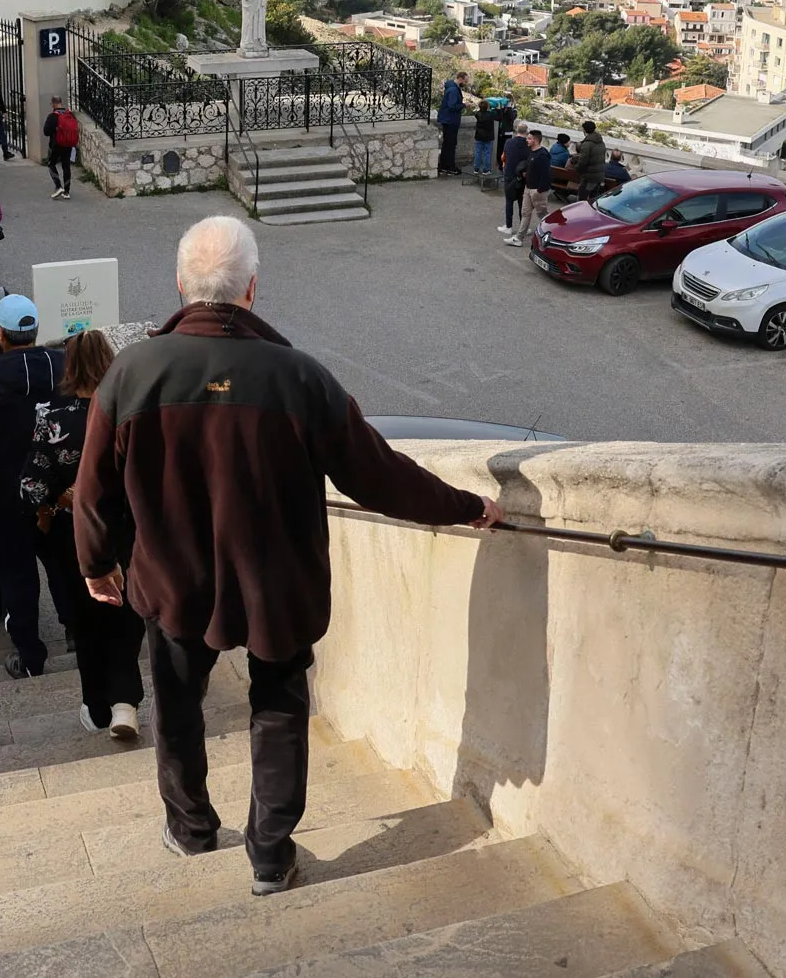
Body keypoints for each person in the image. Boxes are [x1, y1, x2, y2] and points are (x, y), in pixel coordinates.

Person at [73, 217, 500, 895]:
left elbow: (92, 486)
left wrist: (96, 561)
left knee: (178, 704)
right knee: (279, 707)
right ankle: (270, 854)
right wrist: (467, 505)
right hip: (277, 584)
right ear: (251, 290)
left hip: (174, 580)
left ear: (182, 285)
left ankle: (189, 827)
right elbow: (379, 474)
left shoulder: (133, 371)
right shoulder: (301, 376)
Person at [29, 330, 145, 740]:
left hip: (72, 530)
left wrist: (60, 497)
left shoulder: (50, 414)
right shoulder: (129, 407)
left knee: (86, 617)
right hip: (127, 527)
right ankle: (125, 703)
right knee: (126, 614)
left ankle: (96, 707)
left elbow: (31, 483)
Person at [0, 295, 74, 680]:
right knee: (64, 566)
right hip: (59, 493)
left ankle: (29, 654)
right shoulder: (66, 368)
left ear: (0, 335)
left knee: (14, 574)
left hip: (5, 498)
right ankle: (77, 633)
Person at [512, 129, 553, 243]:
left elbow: (546, 174)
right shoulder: (532, 152)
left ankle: (551, 236)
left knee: (542, 215)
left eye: (529, 138)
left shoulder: (542, 155)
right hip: (528, 187)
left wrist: (540, 190)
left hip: (537, 190)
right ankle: (518, 238)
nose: (527, 140)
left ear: (535, 140)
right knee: (525, 213)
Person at [499, 125, 532, 237]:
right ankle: (523, 227)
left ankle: (508, 226)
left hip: (509, 174)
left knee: (509, 201)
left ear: (517, 131)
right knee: (522, 202)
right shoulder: (528, 145)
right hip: (522, 176)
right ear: (527, 132)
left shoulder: (509, 142)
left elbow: (504, 157)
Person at [44, 96, 79, 199]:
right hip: (68, 144)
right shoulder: (70, 114)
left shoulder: (52, 116)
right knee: (66, 166)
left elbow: (46, 132)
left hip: (56, 145)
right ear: (61, 103)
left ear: (53, 104)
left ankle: (58, 186)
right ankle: (67, 192)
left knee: (51, 164)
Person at [436, 71, 466, 176]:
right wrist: (464, 105)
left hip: (447, 120)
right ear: (461, 79)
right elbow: (452, 106)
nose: (465, 83)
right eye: (465, 81)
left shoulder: (450, 86)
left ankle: (444, 166)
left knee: (447, 144)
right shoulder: (453, 90)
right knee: (450, 144)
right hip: (450, 120)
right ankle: (449, 167)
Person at [573, 121, 608, 202]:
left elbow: (583, 161)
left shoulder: (587, 144)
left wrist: (577, 168)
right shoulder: (601, 142)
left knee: (582, 199)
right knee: (593, 200)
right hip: (599, 175)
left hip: (588, 176)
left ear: (584, 130)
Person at [470, 96, 495, 183]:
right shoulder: (491, 115)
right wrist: (497, 108)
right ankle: (486, 170)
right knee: (487, 153)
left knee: (478, 152)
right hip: (488, 137)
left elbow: (478, 112)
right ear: (487, 106)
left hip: (479, 136)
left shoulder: (477, 114)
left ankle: (476, 169)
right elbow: (499, 116)